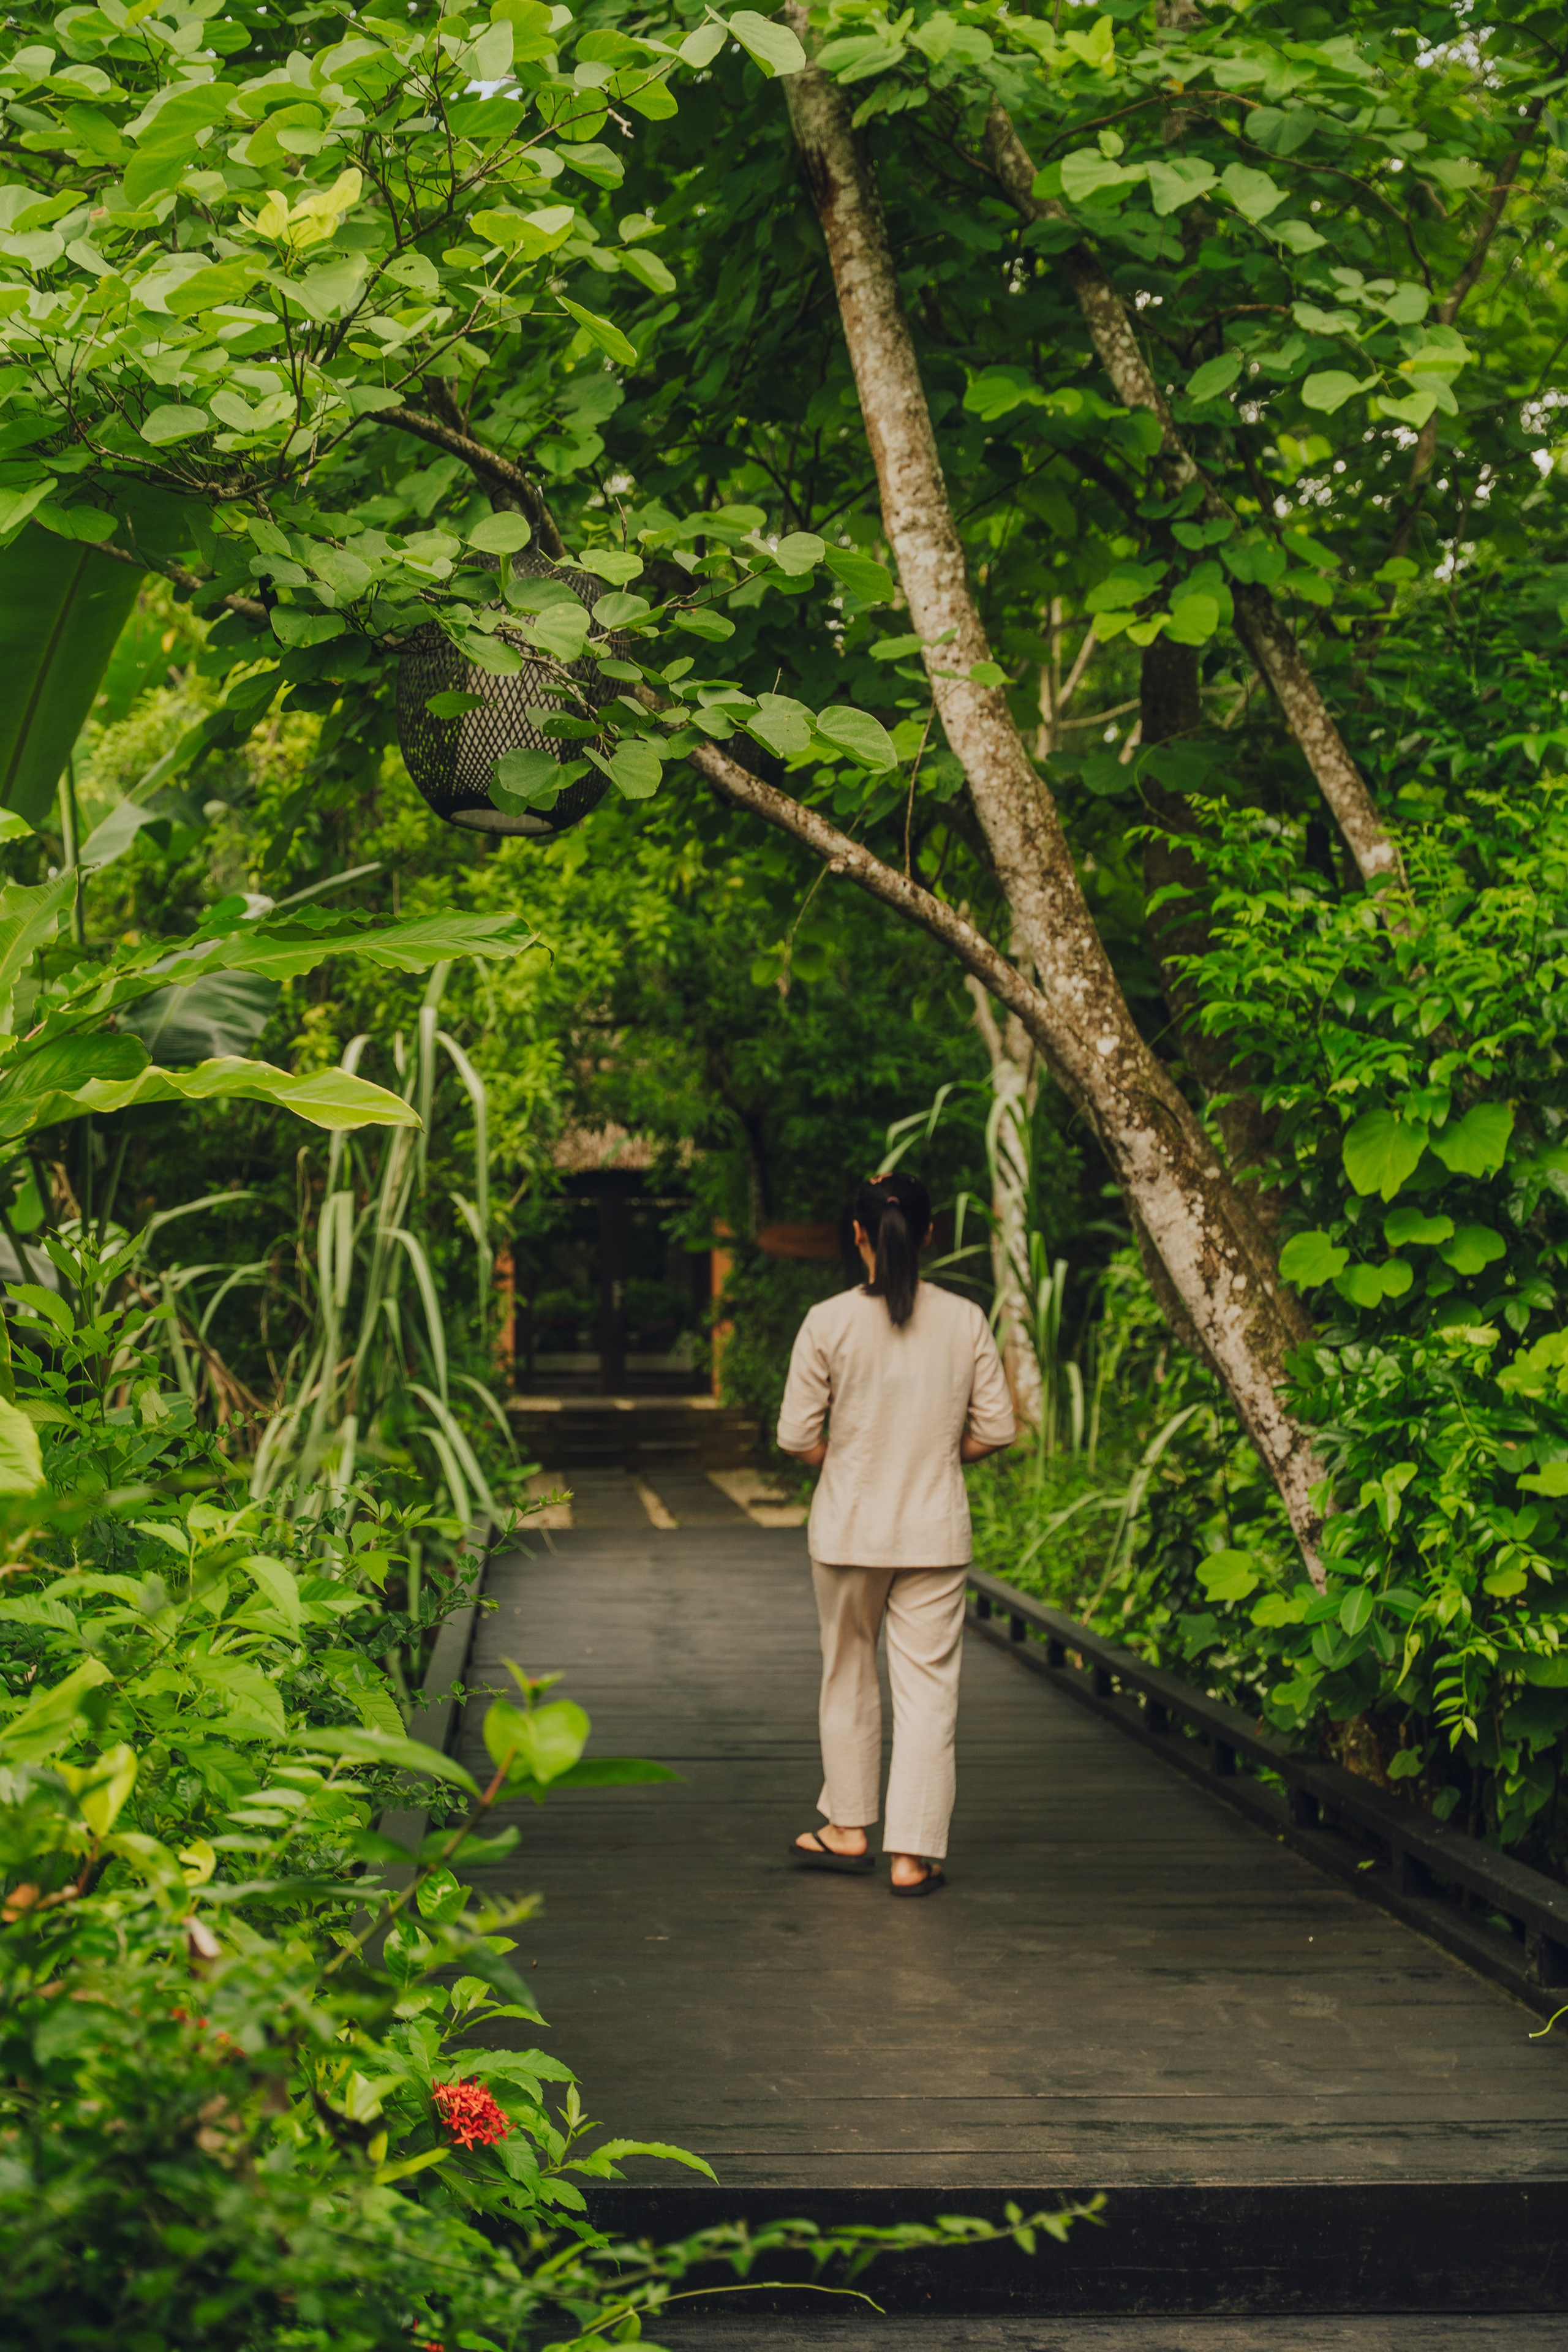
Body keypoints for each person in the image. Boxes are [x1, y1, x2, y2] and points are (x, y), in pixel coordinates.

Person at [775, 1170, 1016, 1896]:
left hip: (848, 1530)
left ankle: (848, 1827)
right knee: (928, 1693)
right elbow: (997, 1429)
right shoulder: (965, 1319)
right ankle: (911, 1856)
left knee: (846, 1673)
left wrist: (848, 1458)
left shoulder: (827, 1321)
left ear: (857, 1235)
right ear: (930, 1232)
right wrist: (937, 1453)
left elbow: (796, 1437)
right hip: (932, 1533)